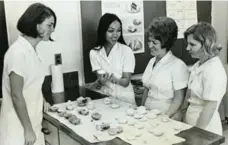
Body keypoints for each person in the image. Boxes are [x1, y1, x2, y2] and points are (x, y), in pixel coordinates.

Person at [0, 3, 56, 145]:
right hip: (18, 128)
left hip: (33, 123)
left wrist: (43, 100)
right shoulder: (17, 53)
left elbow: (33, 83)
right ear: (37, 25)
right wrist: (28, 129)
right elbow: (16, 94)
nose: (53, 29)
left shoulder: (31, 51)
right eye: (49, 25)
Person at [141, 17, 189, 120]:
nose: (150, 45)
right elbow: (147, 89)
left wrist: (166, 116)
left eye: (154, 43)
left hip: (166, 116)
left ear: (165, 43)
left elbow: (179, 98)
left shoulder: (178, 66)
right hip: (148, 115)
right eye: (149, 41)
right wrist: (141, 109)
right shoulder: (151, 62)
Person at [183, 22, 227, 135]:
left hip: (205, 127)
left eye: (192, 45)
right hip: (191, 121)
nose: (187, 48)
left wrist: (197, 133)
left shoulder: (214, 70)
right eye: (188, 44)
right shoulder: (198, 65)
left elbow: (210, 107)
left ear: (206, 44)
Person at [89, 13, 136, 104]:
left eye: (118, 30)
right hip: (106, 97)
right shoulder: (94, 53)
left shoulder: (126, 51)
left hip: (125, 98)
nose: (115, 35)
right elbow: (101, 81)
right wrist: (102, 79)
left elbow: (126, 81)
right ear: (103, 31)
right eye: (111, 31)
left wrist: (116, 80)